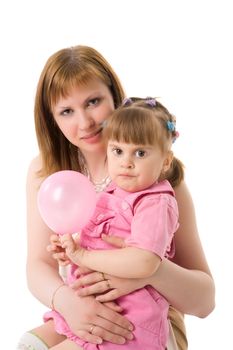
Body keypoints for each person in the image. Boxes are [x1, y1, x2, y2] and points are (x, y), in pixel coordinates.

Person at [17, 45, 215, 350]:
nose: (85, 123)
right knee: (28, 345)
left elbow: (205, 302)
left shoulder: (157, 180)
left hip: (146, 319)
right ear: (52, 119)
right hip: (84, 306)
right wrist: (67, 300)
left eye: (93, 101)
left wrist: (149, 270)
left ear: (115, 97)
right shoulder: (47, 174)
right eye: (66, 111)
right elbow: (37, 265)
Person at [46, 96, 182, 349]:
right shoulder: (110, 194)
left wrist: (82, 256)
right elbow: (101, 239)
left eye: (140, 153)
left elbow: (144, 260)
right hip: (94, 311)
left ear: (165, 161)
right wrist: (71, 247)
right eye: (118, 150)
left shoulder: (155, 202)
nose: (126, 162)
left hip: (128, 323)